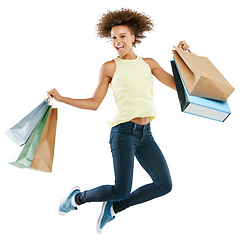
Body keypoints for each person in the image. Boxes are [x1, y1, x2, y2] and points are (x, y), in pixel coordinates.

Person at [47, 8, 190, 234]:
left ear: (133, 37)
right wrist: (62, 98)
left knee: (164, 185)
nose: (117, 41)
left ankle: (114, 208)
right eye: (114, 37)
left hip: (146, 135)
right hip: (123, 134)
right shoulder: (110, 67)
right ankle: (77, 199)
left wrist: (183, 57)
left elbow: (177, 85)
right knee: (121, 188)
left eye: (122, 36)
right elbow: (94, 103)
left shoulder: (149, 63)